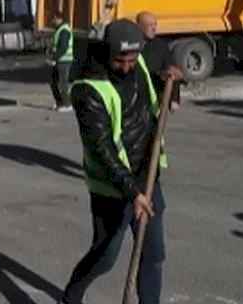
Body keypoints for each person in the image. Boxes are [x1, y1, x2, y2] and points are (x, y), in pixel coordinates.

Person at [61, 19, 182, 304]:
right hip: (112, 188)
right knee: (105, 257)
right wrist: (133, 192)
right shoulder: (88, 89)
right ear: (107, 51)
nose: (127, 66)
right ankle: (73, 294)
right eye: (120, 60)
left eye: (132, 59)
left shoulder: (137, 65)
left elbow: (146, 88)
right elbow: (102, 150)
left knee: (153, 254)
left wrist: (167, 79)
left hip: (147, 177)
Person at [136, 11, 179, 110]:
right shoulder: (131, 45)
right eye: (150, 25)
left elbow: (172, 71)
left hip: (154, 101)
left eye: (155, 24)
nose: (154, 28)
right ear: (139, 26)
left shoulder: (161, 46)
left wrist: (174, 99)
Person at [48, 18, 75, 112]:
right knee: (53, 82)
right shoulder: (59, 30)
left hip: (64, 61)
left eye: (54, 19)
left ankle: (67, 104)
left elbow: (63, 47)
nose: (52, 21)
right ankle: (60, 103)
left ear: (59, 19)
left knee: (63, 84)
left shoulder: (64, 31)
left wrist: (54, 58)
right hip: (60, 61)